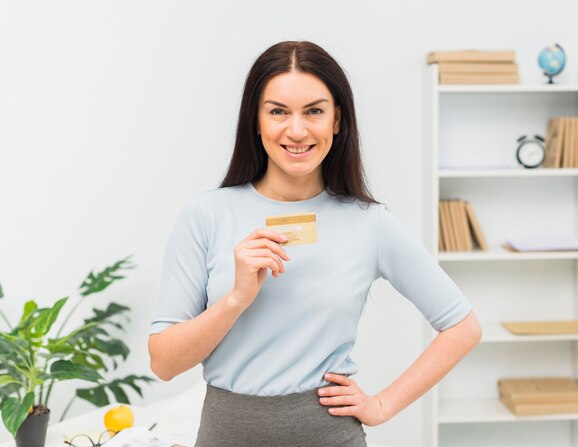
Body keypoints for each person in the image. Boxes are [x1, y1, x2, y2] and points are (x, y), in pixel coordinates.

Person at [148, 40, 482, 446]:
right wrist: (236, 298)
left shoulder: (369, 223)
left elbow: (463, 327)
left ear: (336, 121)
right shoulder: (206, 215)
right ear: (255, 120)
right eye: (277, 112)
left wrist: (381, 406)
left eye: (314, 111)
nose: (297, 130)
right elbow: (163, 363)